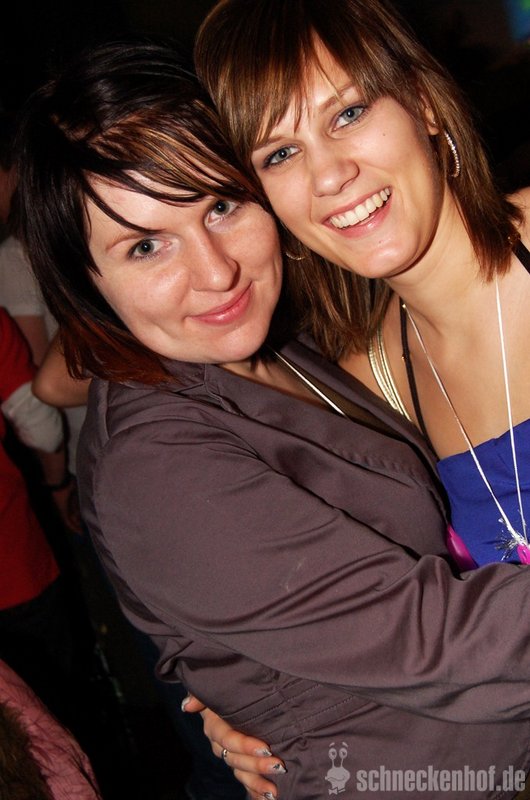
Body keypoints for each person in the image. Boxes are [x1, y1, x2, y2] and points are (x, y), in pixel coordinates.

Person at [14, 36, 530, 800]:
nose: (215, 270)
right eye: (146, 246)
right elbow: (440, 646)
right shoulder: (156, 468)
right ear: (86, 283)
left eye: (220, 205)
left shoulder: (289, 339)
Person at [190, 0, 530, 792]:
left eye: (347, 113)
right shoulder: (367, 384)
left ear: (425, 103)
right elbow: (373, 618)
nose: (328, 175)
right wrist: (257, 711)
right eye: (280, 153)